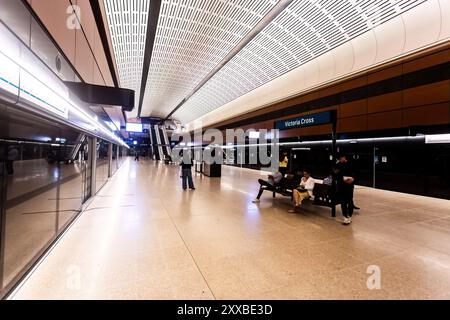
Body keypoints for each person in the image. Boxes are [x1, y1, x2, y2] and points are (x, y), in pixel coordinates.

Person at [334, 154, 355, 225]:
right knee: (343, 201)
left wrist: (353, 179)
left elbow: (356, 173)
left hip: (349, 186)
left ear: (344, 157)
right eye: (339, 159)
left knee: (350, 201)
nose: (340, 160)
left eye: (341, 158)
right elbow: (335, 175)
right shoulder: (338, 165)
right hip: (341, 186)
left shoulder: (351, 164)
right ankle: (345, 217)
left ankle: (349, 215)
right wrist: (342, 179)